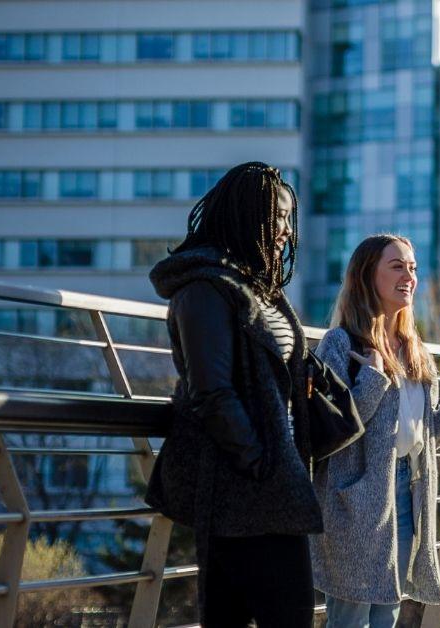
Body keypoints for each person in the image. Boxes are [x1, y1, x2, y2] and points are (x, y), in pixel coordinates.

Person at [144, 162, 320, 627]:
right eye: (278, 217)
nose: (285, 230)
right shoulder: (204, 289)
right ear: (247, 216)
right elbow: (211, 391)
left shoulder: (257, 288)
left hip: (269, 485)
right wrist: (259, 463)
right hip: (241, 489)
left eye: (287, 219)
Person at [310, 234, 440, 628]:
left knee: (388, 612)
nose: (409, 276)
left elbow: (429, 433)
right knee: (350, 616)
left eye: (413, 267)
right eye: (397, 266)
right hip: (355, 497)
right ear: (368, 275)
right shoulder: (339, 343)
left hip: (407, 491)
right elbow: (334, 428)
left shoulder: (413, 346)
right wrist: (372, 376)